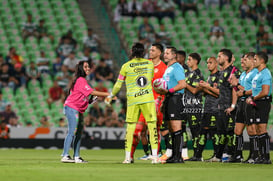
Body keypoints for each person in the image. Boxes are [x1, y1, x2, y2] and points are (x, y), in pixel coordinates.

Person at [106, 42, 159, 164]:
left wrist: (110, 96)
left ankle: (127, 157)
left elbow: (118, 84)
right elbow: (150, 79)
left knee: (130, 128)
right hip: (147, 99)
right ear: (143, 52)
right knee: (152, 126)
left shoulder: (126, 66)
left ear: (132, 52)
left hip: (133, 100)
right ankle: (155, 157)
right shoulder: (150, 64)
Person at [61, 61, 111, 163]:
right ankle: (65, 155)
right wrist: (108, 94)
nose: (88, 68)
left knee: (78, 133)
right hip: (72, 108)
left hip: (76, 109)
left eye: (88, 66)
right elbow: (92, 92)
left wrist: (90, 101)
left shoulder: (81, 81)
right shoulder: (80, 80)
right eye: (85, 67)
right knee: (72, 131)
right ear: (80, 69)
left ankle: (76, 157)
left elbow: (82, 98)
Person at [130, 43, 167, 161]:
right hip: (143, 100)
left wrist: (161, 100)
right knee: (140, 130)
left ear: (159, 53)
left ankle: (158, 152)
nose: (150, 52)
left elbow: (165, 86)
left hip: (156, 102)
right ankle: (145, 153)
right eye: (150, 50)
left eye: (153, 50)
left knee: (154, 129)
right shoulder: (145, 64)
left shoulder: (163, 68)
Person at [208, 49, 241, 162]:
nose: (218, 58)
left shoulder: (233, 71)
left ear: (226, 58)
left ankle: (232, 154)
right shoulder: (222, 72)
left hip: (229, 107)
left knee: (230, 132)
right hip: (221, 107)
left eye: (220, 56)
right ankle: (219, 155)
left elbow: (235, 89)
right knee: (221, 132)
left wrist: (232, 105)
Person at [227, 52, 259, 163]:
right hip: (241, 104)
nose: (242, 63)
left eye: (244, 61)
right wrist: (234, 85)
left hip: (250, 103)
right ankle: (238, 155)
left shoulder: (255, 73)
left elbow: (254, 90)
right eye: (241, 62)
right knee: (237, 130)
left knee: (251, 130)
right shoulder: (244, 74)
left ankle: (254, 155)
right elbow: (239, 91)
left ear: (251, 61)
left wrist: (237, 85)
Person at [158, 46, 187, 163]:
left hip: (176, 98)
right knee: (171, 128)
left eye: (168, 53)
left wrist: (169, 91)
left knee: (176, 128)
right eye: (165, 53)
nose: (165, 55)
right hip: (169, 99)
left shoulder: (177, 67)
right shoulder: (168, 68)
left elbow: (183, 84)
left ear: (174, 55)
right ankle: (174, 155)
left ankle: (179, 157)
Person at [246, 51, 272, 164]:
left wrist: (253, 98)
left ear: (262, 61)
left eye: (255, 59)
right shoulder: (258, 73)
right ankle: (261, 156)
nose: (254, 61)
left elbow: (265, 92)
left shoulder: (266, 73)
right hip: (256, 102)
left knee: (262, 129)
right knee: (257, 129)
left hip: (262, 103)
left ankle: (266, 157)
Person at [195, 57, 220, 161]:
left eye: (211, 63)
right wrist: (203, 88)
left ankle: (217, 155)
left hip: (215, 109)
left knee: (214, 133)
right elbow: (208, 94)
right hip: (207, 108)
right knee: (203, 132)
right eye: (207, 63)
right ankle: (198, 156)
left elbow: (219, 94)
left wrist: (206, 87)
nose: (208, 65)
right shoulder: (210, 76)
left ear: (216, 64)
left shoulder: (219, 76)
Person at [183, 53, 204, 161]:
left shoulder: (198, 74)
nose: (187, 61)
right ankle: (189, 153)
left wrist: (184, 84)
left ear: (195, 61)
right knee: (186, 129)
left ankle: (198, 155)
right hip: (186, 104)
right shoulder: (188, 73)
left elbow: (195, 90)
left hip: (195, 105)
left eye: (190, 59)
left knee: (195, 131)